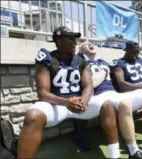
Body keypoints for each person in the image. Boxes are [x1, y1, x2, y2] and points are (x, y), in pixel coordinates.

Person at [17, 26, 120, 159]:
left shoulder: (80, 60)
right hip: (57, 104)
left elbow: (88, 86)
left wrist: (84, 99)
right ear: (59, 41)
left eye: (75, 39)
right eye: (71, 38)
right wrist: (66, 102)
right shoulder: (47, 57)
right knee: (33, 116)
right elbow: (42, 93)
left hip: (78, 102)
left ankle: (115, 156)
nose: (75, 42)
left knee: (107, 105)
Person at [79, 41, 142, 158]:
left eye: (138, 52)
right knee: (125, 102)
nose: (136, 54)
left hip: (120, 93)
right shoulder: (82, 62)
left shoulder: (103, 62)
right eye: (86, 45)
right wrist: (104, 72)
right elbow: (116, 84)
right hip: (106, 95)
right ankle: (131, 150)